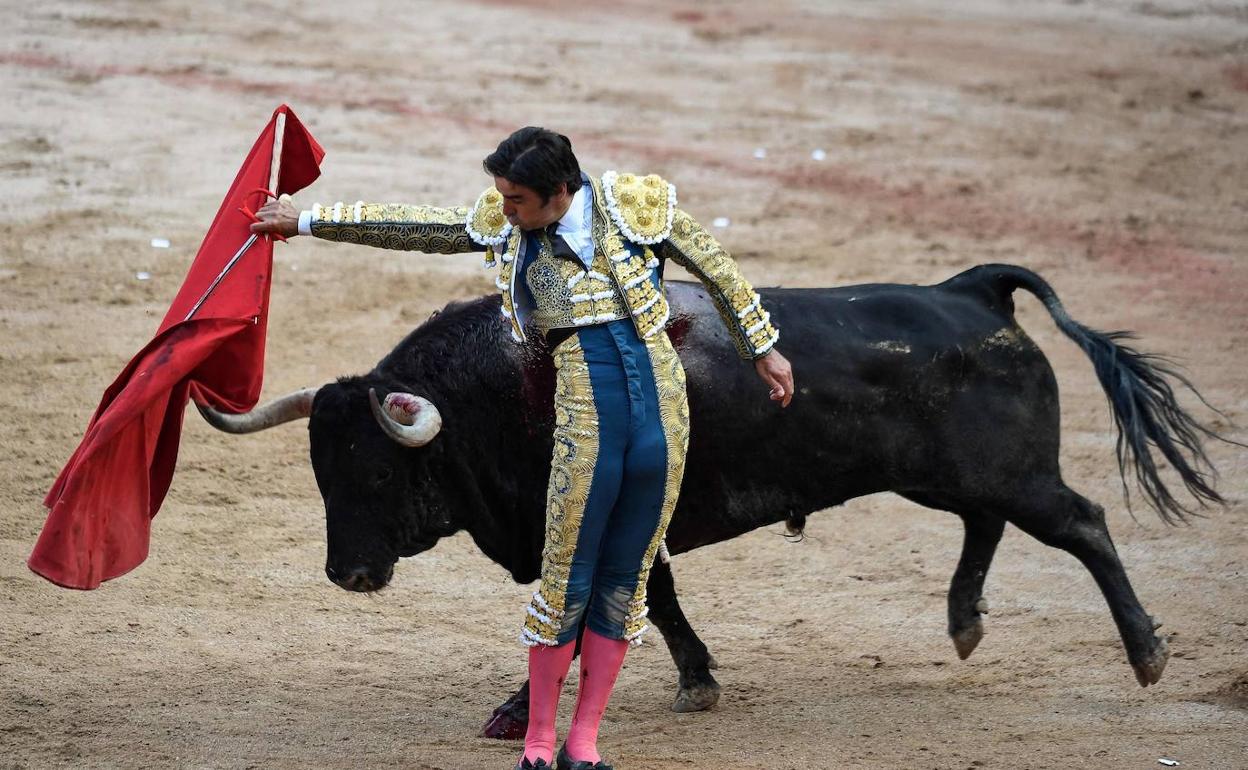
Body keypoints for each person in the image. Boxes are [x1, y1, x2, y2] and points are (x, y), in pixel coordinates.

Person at [251, 127, 793, 770]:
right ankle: (538, 743)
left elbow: (717, 268)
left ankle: (583, 743)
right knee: (566, 580)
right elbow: (428, 227)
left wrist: (763, 348)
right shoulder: (512, 224)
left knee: (626, 580)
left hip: (662, 419)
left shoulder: (638, 206)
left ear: (559, 193)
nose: (503, 208)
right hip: (587, 420)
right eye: (501, 196)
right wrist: (307, 221)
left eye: (515, 199)